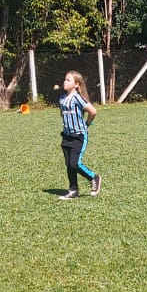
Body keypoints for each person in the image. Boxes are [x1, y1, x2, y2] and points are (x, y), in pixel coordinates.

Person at [57, 71, 101, 199]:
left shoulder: (77, 97)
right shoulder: (62, 99)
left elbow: (93, 111)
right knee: (69, 165)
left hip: (79, 136)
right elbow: (62, 113)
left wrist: (86, 124)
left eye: (68, 80)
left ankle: (93, 177)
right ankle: (73, 190)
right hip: (67, 136)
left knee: (75, 163)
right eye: (65, 79)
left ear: (76, 84)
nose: (65, 82)